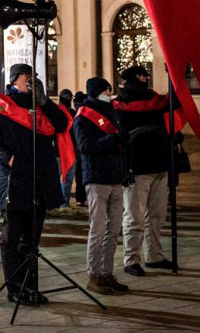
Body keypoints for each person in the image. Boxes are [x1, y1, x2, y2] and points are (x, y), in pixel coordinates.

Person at [0, 64, 69, 306]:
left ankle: (31, 286)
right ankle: (16, 288)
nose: (32, 82)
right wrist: (9, 159)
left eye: (34, 79)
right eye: (29, 79)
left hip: (39, 180)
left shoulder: (38, 105)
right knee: (13, 238)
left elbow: (61, 124)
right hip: (15, 180)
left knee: (32, 239)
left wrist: (45, 101)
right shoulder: (1, 106)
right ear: (16, 80)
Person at [114, 66, 178, 277]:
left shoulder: (154, 100)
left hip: (159, 164)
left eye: (146, 76)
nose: (145, 79)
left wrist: (174, 75)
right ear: (130, 80)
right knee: (134, 217)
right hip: (137, 167)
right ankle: (131, 258)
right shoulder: (120, 105)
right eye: (141, 76)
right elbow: (120, 136)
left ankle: (154, 256)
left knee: (157, 215)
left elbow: (175, 101)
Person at [73, 78, 130, 295]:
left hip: (115, 177)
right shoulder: (84, 114)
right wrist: (113, 139)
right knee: (97, 230)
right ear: (96, 91)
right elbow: (85, 146)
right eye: (106, 89)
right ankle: (93, 275)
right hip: (96, 178)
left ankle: (107, 274)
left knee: (114, 230)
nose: (110, 91)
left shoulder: (112, 111)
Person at [58, 89, 79, 209]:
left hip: (68, 150)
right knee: (66, 179)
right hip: (64, 150)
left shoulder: (72, 113)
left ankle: (62, 203)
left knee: (66, 179)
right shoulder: (71, 113)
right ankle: (62, 203)